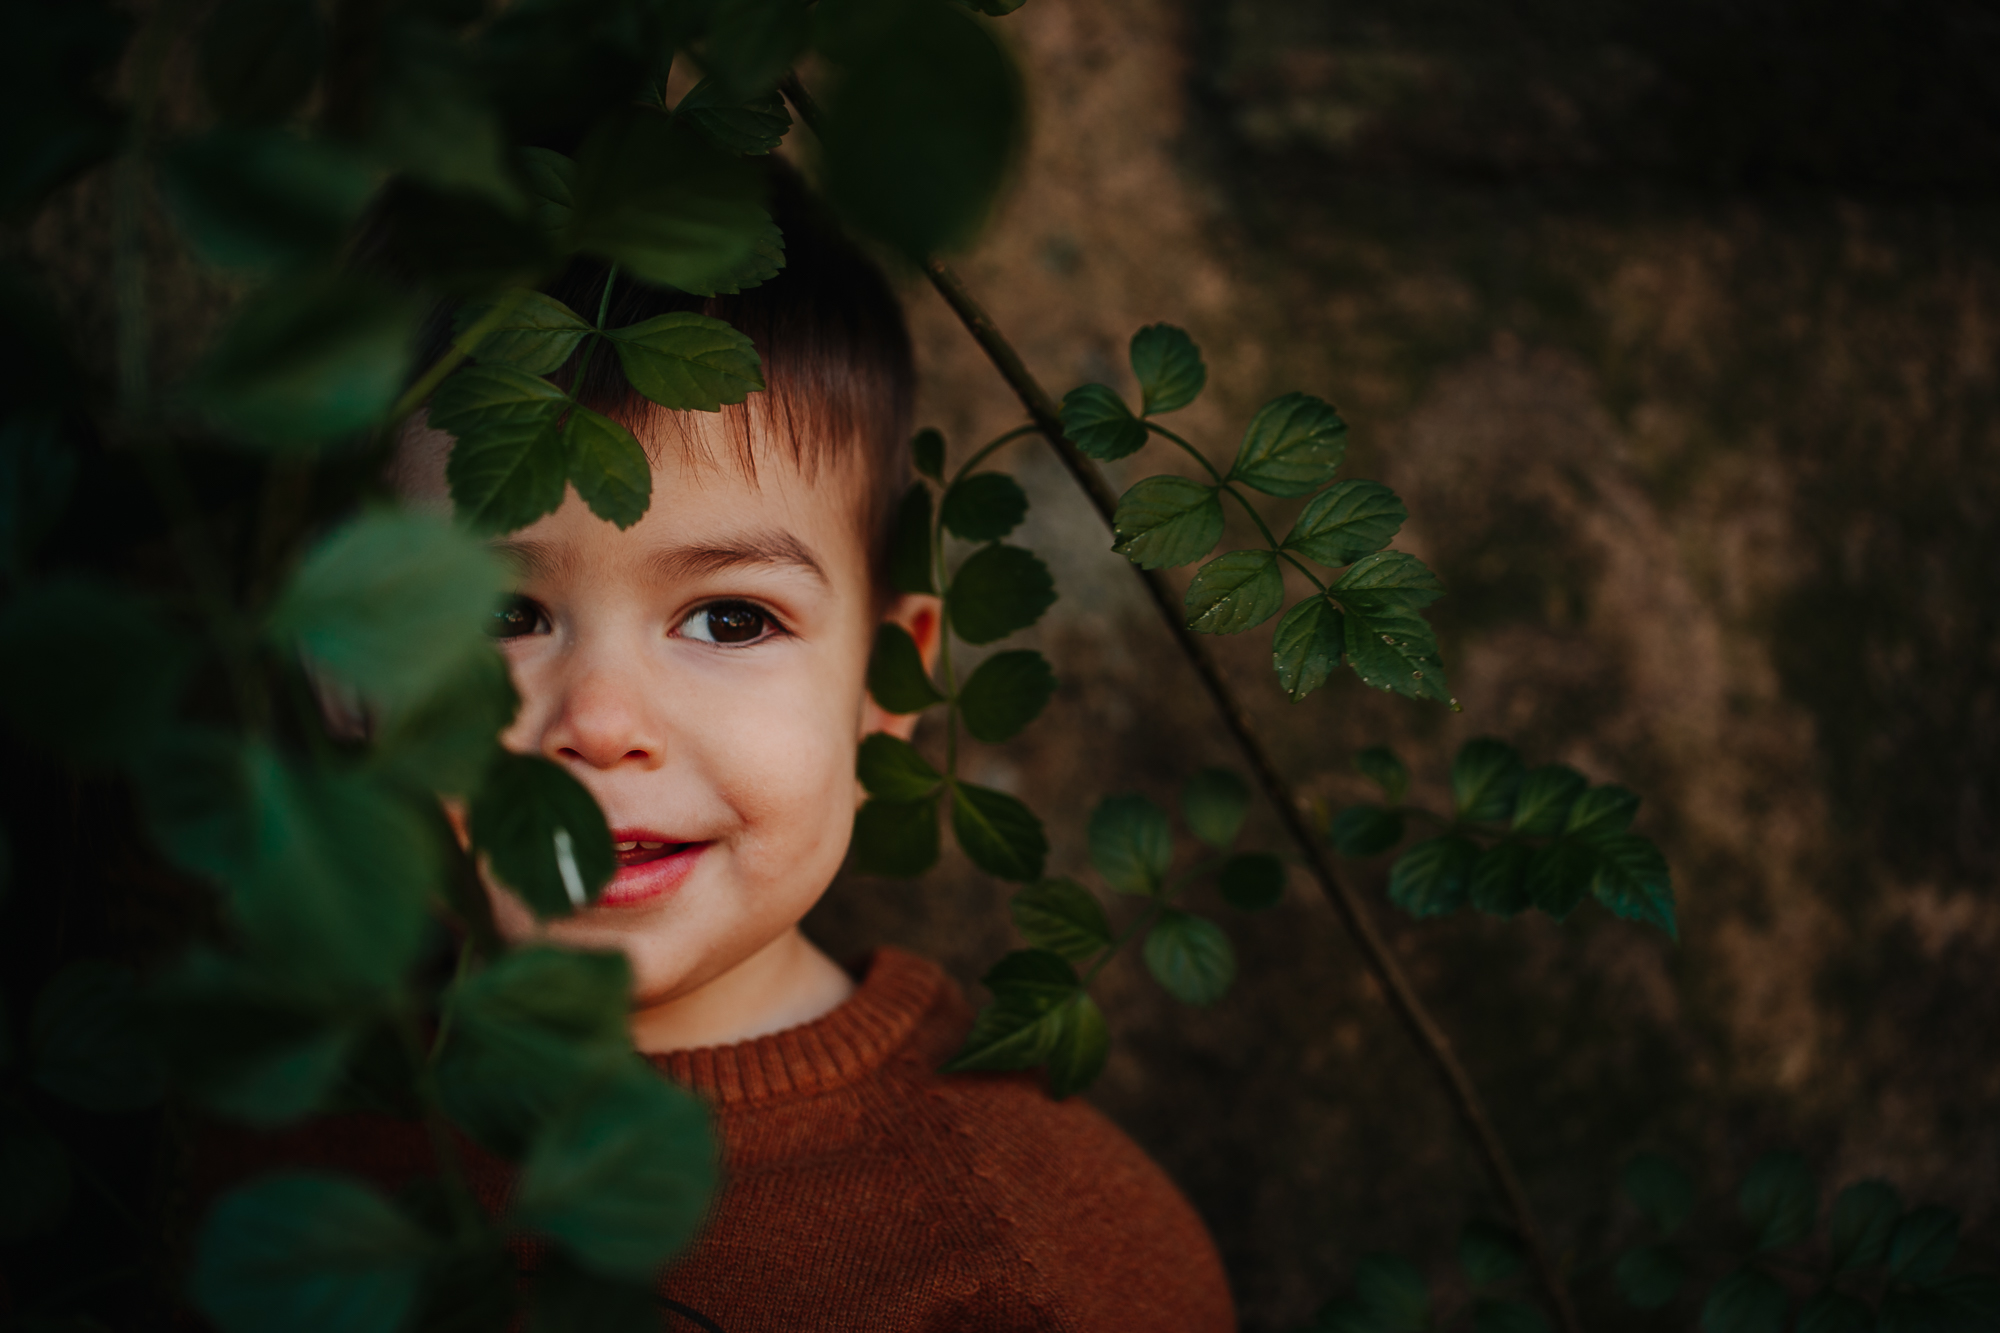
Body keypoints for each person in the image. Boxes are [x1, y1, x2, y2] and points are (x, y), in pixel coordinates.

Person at [385, 163, 1238, 1330]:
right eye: (497, 617)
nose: (601, 723)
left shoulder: (1034, 1260)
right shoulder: (238, 1128)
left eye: (730, 618)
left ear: (882, 682)